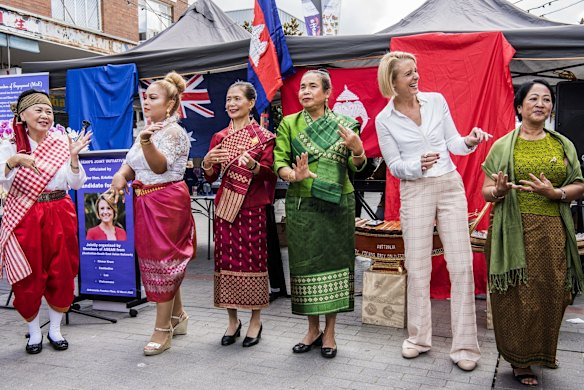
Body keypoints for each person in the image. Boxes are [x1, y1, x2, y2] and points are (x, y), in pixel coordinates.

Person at [375, 51, 490, 371]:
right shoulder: (383, 120)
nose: (416, 77)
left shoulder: (437, 101)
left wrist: (469, 140)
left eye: (416, 71)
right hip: (415, 190)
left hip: (450, 185)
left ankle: (465, 345)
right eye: (408, 74)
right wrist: (416, 164)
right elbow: (395, 166)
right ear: (392, 81)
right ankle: (419, 338)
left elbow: (453, 141)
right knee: (417, 265)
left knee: (462, 264)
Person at [482, 79, 584, 386]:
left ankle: (541, 353)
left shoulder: (562, 145)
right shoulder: (502, 145)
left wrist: (556, 194)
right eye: (533, 99)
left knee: (552, 294)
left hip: (553, 231)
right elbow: (486, 191)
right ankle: (518, 359)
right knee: (515, 297)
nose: (541, 104)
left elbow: (579, 184)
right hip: (512, 232)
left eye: (547, 99)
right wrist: (498, 190)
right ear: (519, 106)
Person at [274, 69, 367, 359]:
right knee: (305, 265)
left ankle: (330, 332)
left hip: (338, 204)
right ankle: (312, 329)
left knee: (336, 264)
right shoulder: (288, 124)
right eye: (302, 86)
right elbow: (278, 161)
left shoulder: (346, 125)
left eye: (312, 86)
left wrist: (358, 150)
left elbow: (357, 167)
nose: (304, 91)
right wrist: (294, 174)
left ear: (327, 93)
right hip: (303, 203)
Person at [108, 71, 195, 356]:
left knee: (164, 262)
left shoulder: (173, 132)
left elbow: (158, 168)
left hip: (167, 201)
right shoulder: (149, 129)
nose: (146, 103)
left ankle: (163, 330)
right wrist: (120, 176)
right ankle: (177, 316)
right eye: (145, 98)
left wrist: (146, 143)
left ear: (170, 104)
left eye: (152, 98)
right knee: (156, 261)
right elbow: (130, 163)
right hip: (145, 202)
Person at [0, 89, 91, 354]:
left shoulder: (62, 141)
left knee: (61, 271)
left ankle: (54, 329)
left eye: (49, 111)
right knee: (28, 275)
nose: (45, 115)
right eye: (38, 110)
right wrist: (13, 161)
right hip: (25, 214)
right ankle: (32, 333)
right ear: (23, 115)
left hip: (60, 210)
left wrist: (74, 159)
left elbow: (76, 183)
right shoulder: (9, 142)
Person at [202, 81, 276, 348]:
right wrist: (207, 163)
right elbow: (211, 176)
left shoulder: (264, 137)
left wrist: (256, 166)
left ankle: (256, 319)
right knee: (227, 262)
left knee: (254, 261)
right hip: (225, 207)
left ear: (250, 103)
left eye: (236, 99)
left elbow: (271, 174)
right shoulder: (219, 137)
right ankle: (232, 319)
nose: (231, 104)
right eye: (228, 100)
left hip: (252, 206)